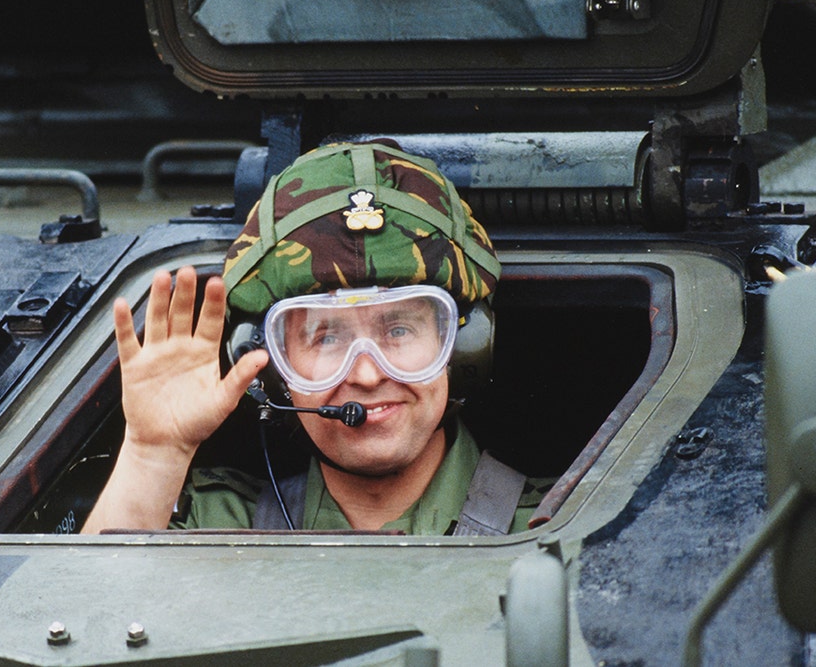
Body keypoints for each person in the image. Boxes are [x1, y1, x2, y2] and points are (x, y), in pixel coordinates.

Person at [83, 140, 542, 535]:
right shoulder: (218, 528)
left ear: (462, 347)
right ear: (273, 370)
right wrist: (154, 455)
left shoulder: (552, 529)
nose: (366, 374)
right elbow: (99, 600)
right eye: (326, 338)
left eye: (399, 329)